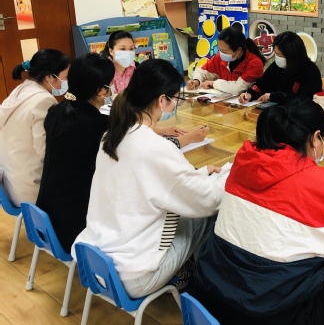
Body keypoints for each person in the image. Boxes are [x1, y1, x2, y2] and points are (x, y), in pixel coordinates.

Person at [190, 99, 324, 325]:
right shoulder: (316, 182)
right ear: (316, 137)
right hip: (264, 312)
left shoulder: (243, 161)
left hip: (210, 294)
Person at [73, 59, 228, 298]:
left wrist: (199, 174)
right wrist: (227, 178)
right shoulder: (155, 147)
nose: (174, 104)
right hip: (134, 276)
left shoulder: (113, 134)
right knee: (205, 217)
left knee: (186, 207)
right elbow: (206, 201)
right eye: (175, 99)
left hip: (97, 260)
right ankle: (199, 285)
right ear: (162, 100)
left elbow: (153, 183)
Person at [35, 53, 114, 250]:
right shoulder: (98, 125)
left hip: (46, 216)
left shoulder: (58, 111)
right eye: (109, 85)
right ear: (100, 91)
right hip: (72, 228)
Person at [0, 49, 70, 205]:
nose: (67, 82)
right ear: (49, 77)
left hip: (9, 182)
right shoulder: (43, 100)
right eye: (65, 77)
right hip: (30, 188)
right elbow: (45, 150)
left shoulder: (21, 89)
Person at [238, 31, 322, 105]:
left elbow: (303, 99)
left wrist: (273, 96)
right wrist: (250, 94)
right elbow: (262, 84)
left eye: (280, 55)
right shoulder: (277, 66)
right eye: (276, 53)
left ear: (292, 56)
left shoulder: (310, 71)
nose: (278, 58)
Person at [187, 26, 265, 95]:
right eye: (220, 50)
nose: (221, 53)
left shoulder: (254, 63)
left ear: (238, 50)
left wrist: (214, 84)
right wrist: (196, 80)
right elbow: (203, 71)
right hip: (224, 102)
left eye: (224, 51)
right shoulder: (220, 57)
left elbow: (238, 89)